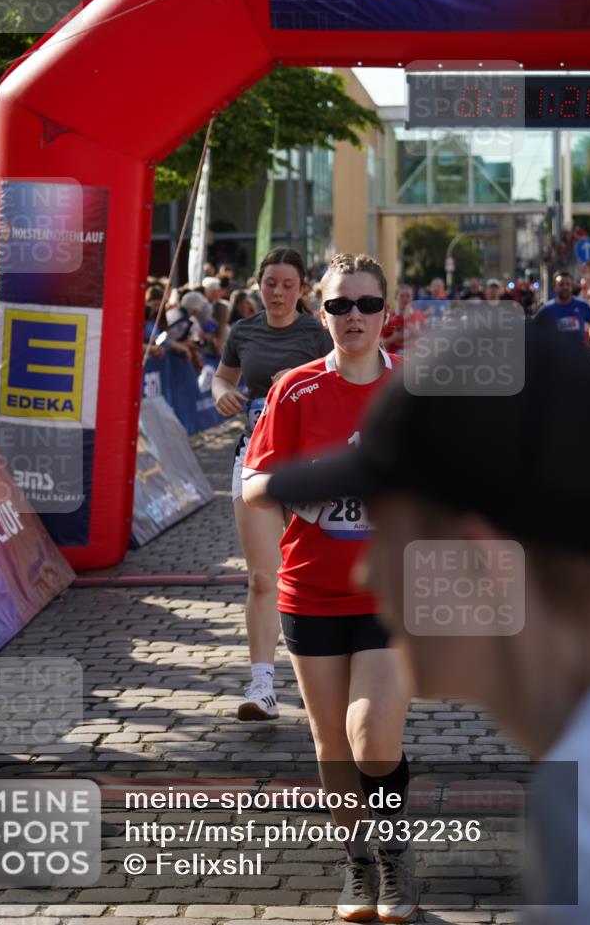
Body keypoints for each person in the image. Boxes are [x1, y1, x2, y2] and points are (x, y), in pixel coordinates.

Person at [266, 319, 590, 924]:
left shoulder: (583, 821)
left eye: (388, 539)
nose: (367, 576)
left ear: (478, 562)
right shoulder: (574, 787)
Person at [242, 254, 417, 924]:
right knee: (332, 749)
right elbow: (255, 483)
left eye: (366, 305)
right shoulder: (295, 389)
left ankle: (397, 853)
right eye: (339, 306)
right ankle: (357, 860)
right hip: (309, 591)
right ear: (322, 315)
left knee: (371, 736)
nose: (353, 317)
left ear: (386, 313)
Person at [211, 248, 332, 722]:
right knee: (263, 577)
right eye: (270, 284)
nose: (278, 293)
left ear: (303, 288)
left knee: (310, 574)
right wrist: (223, 395)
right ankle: (261, 685)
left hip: (311, 464)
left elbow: (339, 380)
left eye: (287, 285)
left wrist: (300, 381)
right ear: (258, 285)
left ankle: (321, 677)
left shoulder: (318, 333)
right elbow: (222, 378)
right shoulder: (244, 331)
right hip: (255, 457)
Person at [535, 270, 590, 347]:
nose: (565, 287)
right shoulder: (546, 309)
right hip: (555, 356)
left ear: (572, 287)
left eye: (568, 284)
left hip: (578, 355)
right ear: (554, 287)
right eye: (561, 284)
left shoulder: (583, 305)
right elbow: (534, 331)